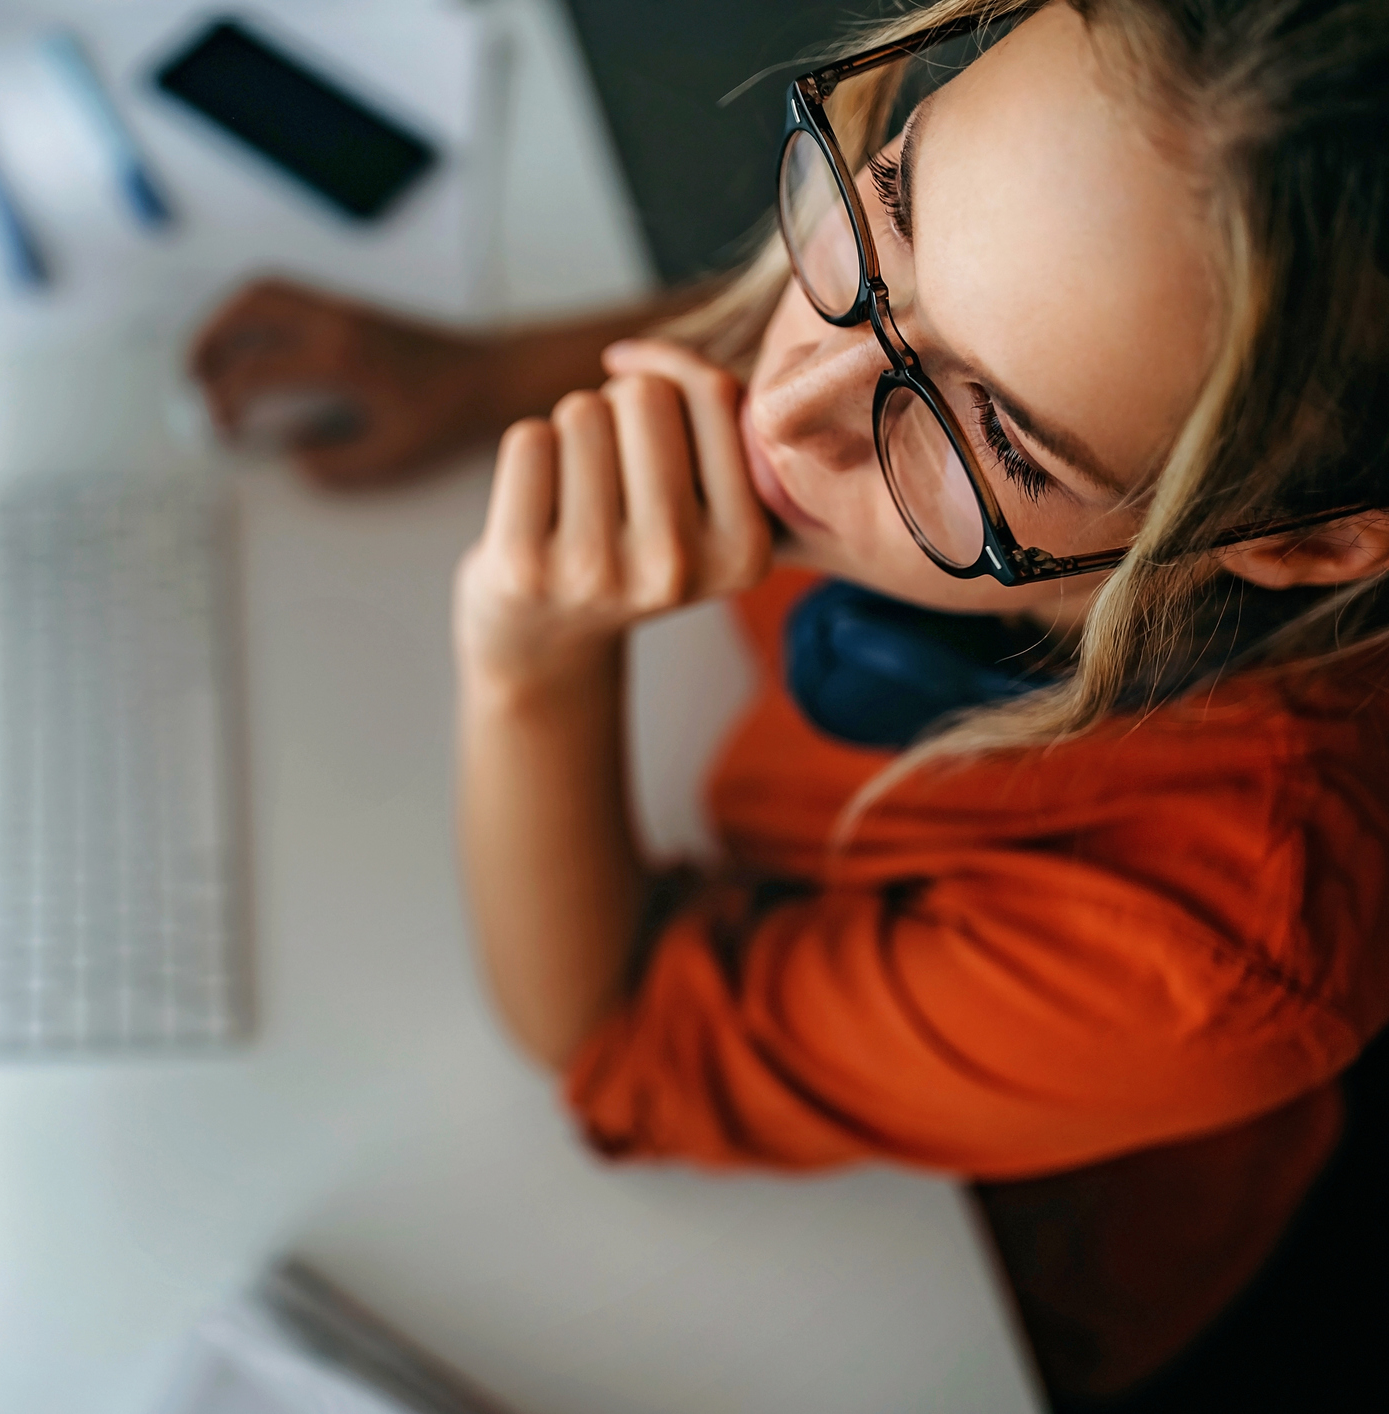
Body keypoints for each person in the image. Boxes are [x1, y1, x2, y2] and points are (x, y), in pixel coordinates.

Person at [190, 0, 1389, 1408]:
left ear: (1303, 543)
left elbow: (617, 1036)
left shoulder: (1217, 953)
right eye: (882, 217)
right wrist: (478, 376)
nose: (783, 408)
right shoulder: (891, 401)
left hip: (943, 1275)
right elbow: (913, 331)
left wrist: (532, 663)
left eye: (992, 438)